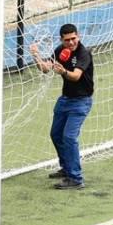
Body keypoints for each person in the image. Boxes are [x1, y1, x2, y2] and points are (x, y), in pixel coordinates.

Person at [29, 24, 94, 190]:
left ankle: (76, 178)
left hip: (81, 102)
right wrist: (35, 55)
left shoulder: (83, 54)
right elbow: (45, 69)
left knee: (69, 137)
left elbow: (76, 76)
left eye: (74, 38)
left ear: (78, 36)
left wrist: (63, 72)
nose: (71, 42)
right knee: (56, 134)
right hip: (65, 100)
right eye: (67, 40)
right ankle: (66, 168)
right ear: (61, 40)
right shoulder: (60, 51)